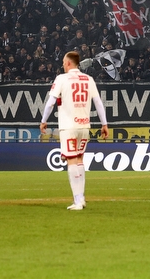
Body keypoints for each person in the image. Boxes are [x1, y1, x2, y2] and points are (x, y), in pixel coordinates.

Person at [40, 51, 109, 210]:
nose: (63, 65)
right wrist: (104, 124)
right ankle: (81, 198)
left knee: (71, 161)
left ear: (69, 63)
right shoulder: (88, 79)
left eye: (64, 62)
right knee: (79, 160)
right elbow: (98, 102)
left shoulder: (61, 79)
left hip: (69, 127)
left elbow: (50, 103)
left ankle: (78, 200)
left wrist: (43, 121)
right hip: (84, 126)